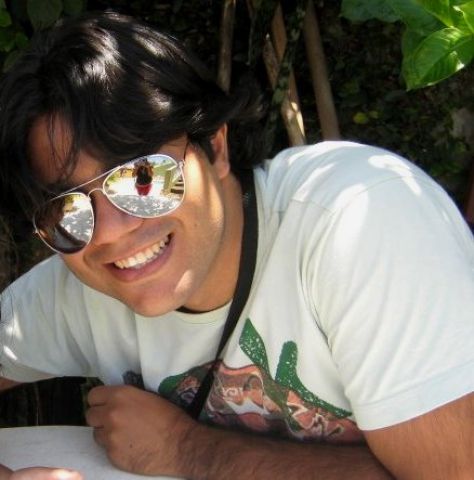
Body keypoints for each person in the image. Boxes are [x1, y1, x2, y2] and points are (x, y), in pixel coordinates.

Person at [0, 11, 472, 480]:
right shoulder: (84, 286)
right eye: (67, 210)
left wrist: (190, 450)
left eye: (143, 177)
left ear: (216, 146)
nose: (109, 233)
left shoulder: (355, 221)